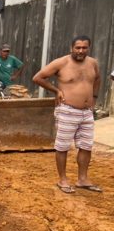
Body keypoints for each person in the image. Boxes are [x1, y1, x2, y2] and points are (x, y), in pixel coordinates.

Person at [33, 35, 102, 194]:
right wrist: (56, 90)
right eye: (77, 47)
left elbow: (97, 79)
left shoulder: (92, 63)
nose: (80, 51)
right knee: (63, 146)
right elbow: (38, 78)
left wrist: (94, 98)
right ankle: (63, 179)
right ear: (71, 48)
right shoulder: (61, 63)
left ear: (88, 48)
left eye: (84, 48)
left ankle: (82, 179)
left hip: (87, 113)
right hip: (67, 110)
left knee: (86, 146)